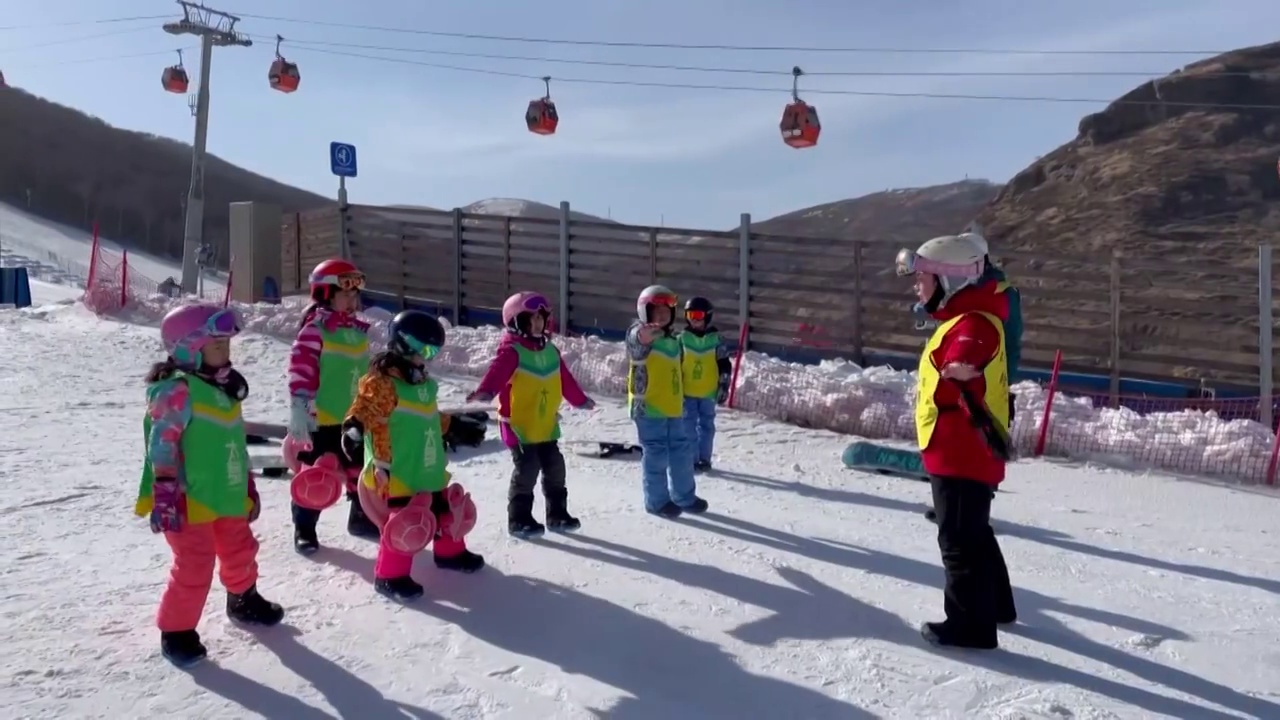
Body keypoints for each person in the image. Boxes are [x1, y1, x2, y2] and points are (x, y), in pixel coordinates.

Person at [136, 304, 284, 666]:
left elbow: (233, 441)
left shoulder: (222, 389)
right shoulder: (176, 390)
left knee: (241, 549)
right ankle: (177, 630)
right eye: (216, 347)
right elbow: (162, 443)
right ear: (188, 349)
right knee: (194, 563)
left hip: (226, 489)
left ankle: (243, 599)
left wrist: (247, 483)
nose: (226, 353)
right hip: (188, 496)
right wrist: (167, 492)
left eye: (226, 346)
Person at [896, 233, 1016, 650]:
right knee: (974, 532)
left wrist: (961, 366)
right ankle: (997, 606)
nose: (917, 287)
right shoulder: (966, 317)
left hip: (962, 451)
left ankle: (970, 626)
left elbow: (969, 351)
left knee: (959, 541)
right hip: (960, 449)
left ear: (948, 280)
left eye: (923, 278)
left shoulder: (975, 324)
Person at [341, 310, 485, 601]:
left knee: (446, 508)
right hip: (397, 469)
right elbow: (365, 407)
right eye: (427, 350)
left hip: (426, 463)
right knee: (405, 519)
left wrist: (454, 427)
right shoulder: (383, 383)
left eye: (434, 351)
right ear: (406, 345)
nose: (428, 358)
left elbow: (426, 417)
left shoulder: (422, 384)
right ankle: (390, 575)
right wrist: (354, 427)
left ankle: (450, 554)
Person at [467, 291, 595, 537]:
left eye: (541, 318)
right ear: (516, 321)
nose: (538, 324)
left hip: (545, 424)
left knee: (555, 468)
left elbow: (565, 380)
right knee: (527, 470)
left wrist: (580, 400)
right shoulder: (511, 351)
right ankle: (519, 519)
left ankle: (557, 514)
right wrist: (485, 391)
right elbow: (496, 373)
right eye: (531, 319)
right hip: (519, 425)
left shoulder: (551, 352)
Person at [922, 230, 1023, 524]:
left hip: (986, 365)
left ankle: (976, 505)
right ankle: (964, 507)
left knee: (982, 429)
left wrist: (971, 356)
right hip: (988, 363)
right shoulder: (984, 288)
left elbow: (1002, 333)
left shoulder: (993, 291)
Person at [286, 258, 376, 555]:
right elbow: (301, 368)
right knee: (316, 475)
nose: (352, 301)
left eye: (355, 295)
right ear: (326, 294)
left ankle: (361, 519)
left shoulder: (359, 332)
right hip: (322, 419)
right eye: (345, 294)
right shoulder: (316, 330)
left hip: (355, 418)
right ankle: (305, 528)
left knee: (359, 471)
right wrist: (300, 405)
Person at [625, 285, 709, 518]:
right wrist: (642, 335)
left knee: (682, 452)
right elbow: (634, 341)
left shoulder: (674, 340)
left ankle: (684, 496)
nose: (661, 316)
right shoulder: (642, 336)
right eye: (656, 311)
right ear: (645, 312)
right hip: (648, 407)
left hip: (672, 406)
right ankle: (657, 501)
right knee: (657, 455)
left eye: (666, 311)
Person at [678, 296, 732, 472]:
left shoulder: (717, 340)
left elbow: (724, 363)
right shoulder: (682, 339)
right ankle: (692, 459)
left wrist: (724, 384)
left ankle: (704, 459)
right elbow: (675, 364)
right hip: (687, 391)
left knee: (707, 426)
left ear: (707, 316)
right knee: (688, 426)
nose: (694, 319)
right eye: (690, 314)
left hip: (708, 392)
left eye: (698, 315)